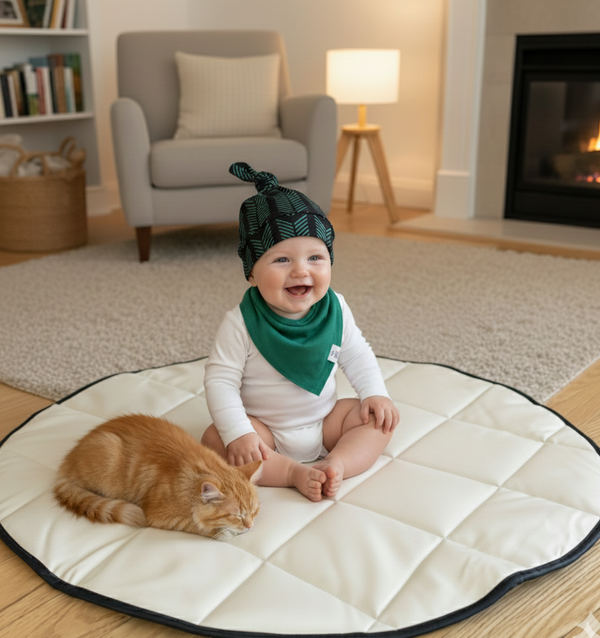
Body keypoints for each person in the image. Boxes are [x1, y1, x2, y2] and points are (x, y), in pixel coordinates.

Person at [202, 162, 400, 501]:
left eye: (315, 258)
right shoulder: (240, 322)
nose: (300, 271)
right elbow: (220, 382)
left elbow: (356, 353)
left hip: (326, 423)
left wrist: (374, 393)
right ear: (251, 273)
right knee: (213, 442)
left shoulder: (335, 308)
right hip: (265, 431)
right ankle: (291, 472)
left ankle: (337, 463)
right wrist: (239, 433)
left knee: (379, 421)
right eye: (281, 260)